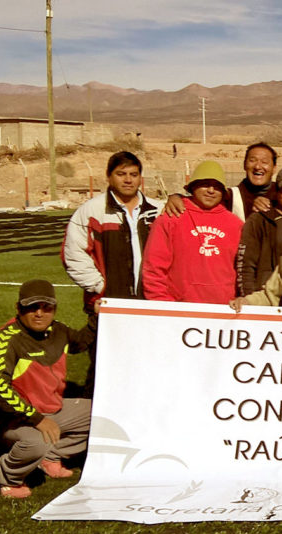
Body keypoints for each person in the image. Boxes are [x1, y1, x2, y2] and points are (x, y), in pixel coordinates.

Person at [0, 280, 95, 499]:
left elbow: (80, 343)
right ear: (18, 308)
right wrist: (37, 419)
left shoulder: (58, 330)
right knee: (36, 442)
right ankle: (5, 474)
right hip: (8, 418)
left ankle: (50, 457)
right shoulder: (7, 339)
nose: (39, 313)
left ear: (54, 309)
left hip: (49, 409)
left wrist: (96, 317)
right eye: (31, 307)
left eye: (46, 307)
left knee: (98, 414)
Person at [62, 151, 163, 396]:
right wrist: (100, 289)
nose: (128, 180)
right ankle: (96, 428)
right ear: (109, 177)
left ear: (141, 178)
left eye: (133, 174)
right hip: (109, 307)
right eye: (121, 174)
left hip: (151, 304)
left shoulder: (158, 211)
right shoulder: (92, 211)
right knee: (105, 372)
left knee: (149, 368)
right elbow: (73, 254)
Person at [142, 161, 244, 304]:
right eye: (205, 184)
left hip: (224, 312)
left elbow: (243, 271)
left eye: (217, 186)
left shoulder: (236, 225)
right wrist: (162, 305)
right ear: (193, 186)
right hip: (178, 311)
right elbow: (153, 268)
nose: (210, 190)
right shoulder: (170, 218)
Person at [164, 142, 278, 221]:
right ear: (244, 165)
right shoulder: (230, 196)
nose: (258, 166)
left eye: (264, 162)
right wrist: (176, 197)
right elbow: (198, 201)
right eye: (252, 161)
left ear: (274, 168)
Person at [237, 167, 282, 295]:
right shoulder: (259, 220)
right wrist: (248, 297)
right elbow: (246, 264)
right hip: (266, 295)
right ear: (277, 192)